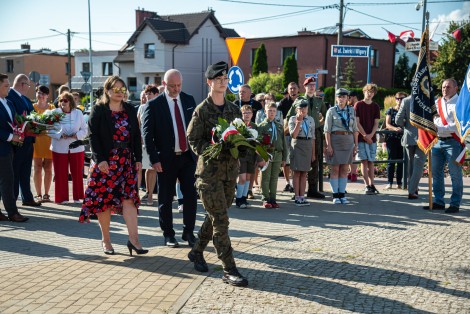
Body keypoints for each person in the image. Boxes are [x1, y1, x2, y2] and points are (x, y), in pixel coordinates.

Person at [187, 61, 265, 287]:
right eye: (218, 80)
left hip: (230, 173)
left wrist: (242, 145)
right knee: (221, 221)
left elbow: (239, 135)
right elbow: (193, 140)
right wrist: (213, 148)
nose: (222, 83)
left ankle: (196, 251)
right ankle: (229, 269)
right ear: (209, 82)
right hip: (209, 175)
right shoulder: (201, 110)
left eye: (224, 80)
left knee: (215, 217)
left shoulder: (233, 109)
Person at [80, 76, 148, 256]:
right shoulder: (99, 110)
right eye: (115, 89)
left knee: (130, 199)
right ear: (107, 90)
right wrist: (100, 159)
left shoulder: (130, 110)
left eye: (122, 89)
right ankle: (106, 240)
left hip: (126, 161)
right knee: (105, 201)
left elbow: (135, 136)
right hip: (106, 162)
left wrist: (138, 158)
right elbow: (93, 137)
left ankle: (134, 240)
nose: (119, 92)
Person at [142, 69, 198, 248]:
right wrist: (154, 159)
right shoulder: (154, 105)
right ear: (164, 84)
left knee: (190, 196)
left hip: (188, 157)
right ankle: (168, 234)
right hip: (165, 160)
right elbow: (147, 134)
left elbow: (195, 128)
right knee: (165, 198)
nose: (176, 89)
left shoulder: (189, 100)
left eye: (179, 85)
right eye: (172, 86)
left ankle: (188, 232)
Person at [425, 78, 462, 213]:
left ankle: (455, 203)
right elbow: (433, 119)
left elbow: (457, 126)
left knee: (455, 174)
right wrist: (437, 127)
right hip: (437, 141)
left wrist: (439, 128)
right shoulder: (437, 102)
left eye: (448, 87)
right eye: (443, 87)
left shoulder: (461, 103)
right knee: (436, 173)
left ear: (455, 88)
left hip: (453, 141)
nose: (445, 89)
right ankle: (438, 201)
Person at [286, 77, 327, 199]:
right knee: (298, 164)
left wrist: (320, 123)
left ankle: (312, 189)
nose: (312, 87)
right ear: (305, 87)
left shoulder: (319, 101)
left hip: (315, 133)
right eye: (309, 85)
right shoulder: (299, 100)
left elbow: (326, 115)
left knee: (314, 161)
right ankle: (297, 192)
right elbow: (289, 116)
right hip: (299, 134)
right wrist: (295, 124)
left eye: (314, 85)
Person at [6, 74, 41, 207]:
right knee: (15, 171)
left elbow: (32, 116)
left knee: (26, 171)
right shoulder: (10, 97)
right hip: (17, 141)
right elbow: (14, 117)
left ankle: (27, 197)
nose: (28, 88)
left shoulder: (25, 99)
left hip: (28, 141)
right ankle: (13, 200)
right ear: (22, 84)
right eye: (28, 85)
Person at [48, 92, 87, 204]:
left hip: (76, 147)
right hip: (59, 147)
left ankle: (78, 197)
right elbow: (48, 129)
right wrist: (59, 135)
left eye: (65, 100)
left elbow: (84, 130)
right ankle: (62, 198)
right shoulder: (54, 113)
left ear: (70, 101)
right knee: (60, 173)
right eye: (60, 101)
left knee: (77, 173)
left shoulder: (78, 113)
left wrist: (77, 135)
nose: (62, 103)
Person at [0, 73, 29, 222]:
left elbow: (15, 122)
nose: (9, 88)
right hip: (2, 148)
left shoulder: (9, 102)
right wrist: (12, 137)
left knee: (6, 180)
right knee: (8, 180)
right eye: (6, 85)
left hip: (9, 148)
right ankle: (12, 213)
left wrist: (22, 129)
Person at [324, 88, 359, 204]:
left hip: (348, 141)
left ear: (347, 98)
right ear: (336, 98)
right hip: (335, 140)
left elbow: (355, 129)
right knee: (335, 168)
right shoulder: (331, 111)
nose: (341, 99)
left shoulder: (351, 110)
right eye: (339, 97)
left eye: (344, 97)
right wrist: (329, 145)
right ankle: (335, 195)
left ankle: (342, 194)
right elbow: (327, 130)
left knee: (344, 168)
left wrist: (356, 145)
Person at [395, 95, 425, 199]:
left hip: (409, 136)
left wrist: (406, 124)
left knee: (411, 164)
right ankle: (412, 189)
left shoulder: (406, 100)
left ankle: (412, 189)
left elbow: (398, 120)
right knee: (418, 165)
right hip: (423, 137)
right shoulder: (427, 99)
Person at [258, 101, 287, 208]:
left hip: (278, 154)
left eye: (274, 111)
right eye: (269, 110)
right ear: (265, 111)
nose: (271, 113)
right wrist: (261, 157)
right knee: (266, 177)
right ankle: (265, 198)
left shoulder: (279, 126)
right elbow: (258, 143)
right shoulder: (261, 126)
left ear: (276, 113)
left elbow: (284, 143)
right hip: (267, 154)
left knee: (275, 178)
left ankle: (273, 198)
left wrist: (284, 157)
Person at [288, 97, 315, 206]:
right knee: (297, 172)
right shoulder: (292, 119)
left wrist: (313, 153)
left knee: (304, 172)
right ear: (296, 109)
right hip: (297, 144)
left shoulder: (311, 119)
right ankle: (297, 196)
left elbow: (313, 137)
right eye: (300, 108)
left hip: (307, 145)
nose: (303, 110)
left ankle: (302, 196)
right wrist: (298, 122)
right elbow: (293, 135)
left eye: (305, 108)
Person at [354, 83, 380, 195]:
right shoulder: (358, 105)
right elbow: (357, 122)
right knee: (364, 161)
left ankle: (372, 184)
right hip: (361, 138)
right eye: (368, 91)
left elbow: (376, 123)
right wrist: (364, 135)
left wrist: (370, 135)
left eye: (372, 92)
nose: (369, 94)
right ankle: (366, 185)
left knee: (371, 161)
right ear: (364, 91)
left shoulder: (375, 106)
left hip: (372, 138)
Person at [32, 85, 55, 203]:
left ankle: (46, 194)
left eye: (43, 94)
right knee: (37, 167)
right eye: (38, 93)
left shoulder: (51, 107)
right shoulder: (32, 107)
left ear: (47, 96)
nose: (40, 95)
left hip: (49, 141)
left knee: (48, 168)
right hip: (36, 141)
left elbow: (55, 124)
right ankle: (38, 194)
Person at [137, 84, 159, 205]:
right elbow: (138, 124)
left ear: (156, 94)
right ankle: (138, 195)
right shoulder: (142, 107)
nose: (147, 95)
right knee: (140, 168)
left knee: (152, 168)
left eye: (149, 93)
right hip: (142, 142)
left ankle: (150, 195)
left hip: (155, 142)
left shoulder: (160, 106)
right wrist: (138, 137)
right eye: (146, 93)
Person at [235, 105, 258, 208]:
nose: (247, 115)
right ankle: (238, 199)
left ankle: (244, 198)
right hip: (241, 156)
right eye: (244, 113)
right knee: (242, 178)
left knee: (248, 178)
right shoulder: (238, 126)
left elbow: (258, 143)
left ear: (252, 114)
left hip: (251, 156)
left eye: (248, 113)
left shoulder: (254, 126)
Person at [278, 82, 299, 193]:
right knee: (286, 160)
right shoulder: (283, 103)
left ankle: (296, 183)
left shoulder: (301, 101)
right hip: (286, 134)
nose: (292, 90)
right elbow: (279, 119)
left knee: (296, 160)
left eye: (294, 88)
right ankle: (287, 182)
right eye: (290, 89)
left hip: (298, 136)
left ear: (298, 89)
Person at [384, 92, 406, 189]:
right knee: (391, 161)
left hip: (403, 139)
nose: (399, 100)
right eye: (398, 98)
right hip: (392, 138)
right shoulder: (391, 110)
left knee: (401, 161)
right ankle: (389, 182)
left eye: (402, 99)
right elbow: (387, 124)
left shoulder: (407, 111)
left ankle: (399, 183)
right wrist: (395, 129)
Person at [347, 90, 359, 182]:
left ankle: (353, 173)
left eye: (349, 97)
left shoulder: (356, 106)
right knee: (351, 154)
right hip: (353, 131)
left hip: (356, 131)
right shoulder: (352, 106)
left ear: (353, 97)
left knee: (353, 154)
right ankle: (352, 172)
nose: (348, 99)